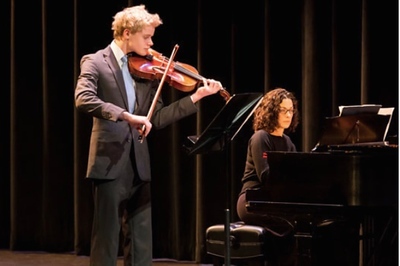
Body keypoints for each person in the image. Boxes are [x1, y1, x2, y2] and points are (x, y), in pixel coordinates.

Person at [74, 5, 223, 266]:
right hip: (108, 162)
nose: (152, 43)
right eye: (147, 37)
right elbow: (83, 99)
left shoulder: (147, 69)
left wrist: (197, 96)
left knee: (142, 244)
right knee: (106, 240)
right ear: (127, 33)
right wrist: (125, 115)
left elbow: (158, 117)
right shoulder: (95, 61)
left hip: (139, 164)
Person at [236, 88, 299, 265]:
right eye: (283, 110)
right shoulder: (260, 137)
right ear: (272, 112)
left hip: (275, 201)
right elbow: (266, 176)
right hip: (252, 201)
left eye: (291, 110)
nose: (288, 115)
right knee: (287, 227)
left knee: (302, 225)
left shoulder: (287, 142)